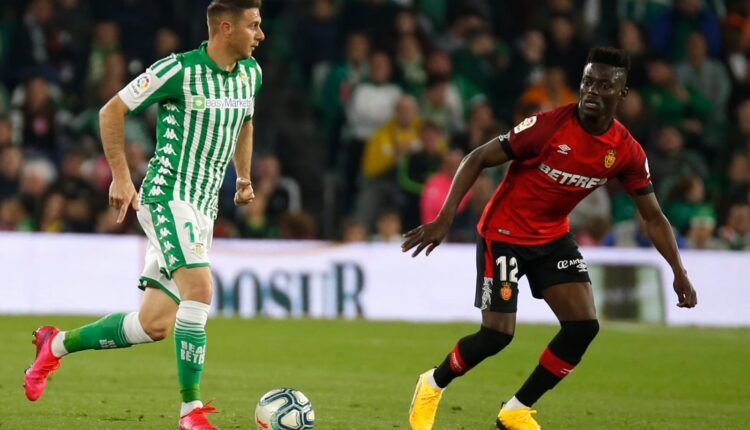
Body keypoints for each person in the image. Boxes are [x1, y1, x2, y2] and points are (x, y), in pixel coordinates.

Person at [404, 47, 698, 430]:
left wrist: (678, 270)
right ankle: (431, 383)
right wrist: (444, 218)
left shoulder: (625, 151)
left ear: (622, 93)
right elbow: (476, 157)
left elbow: (653, 216)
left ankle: (517, 410)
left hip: (553, 237)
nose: (592, 91)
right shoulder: (546, 126)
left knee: (582, 327)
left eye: (605, 85)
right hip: (504, 233)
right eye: (588, 82)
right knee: (496, 335)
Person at [22, 1, 265, 429]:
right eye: (254, 26)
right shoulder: (177, 70)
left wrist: (243, 177)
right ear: (226, 28)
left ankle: (54, 345)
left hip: (204, 206)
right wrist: (121, 177)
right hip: (168, 194)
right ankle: (190, 412)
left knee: (153, 325)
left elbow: (245, 122)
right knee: (200, 288)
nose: (260, 35)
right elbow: (111, 110)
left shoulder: (251, 74)